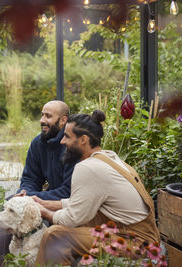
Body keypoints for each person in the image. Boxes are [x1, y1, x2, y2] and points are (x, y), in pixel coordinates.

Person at [33, 110, 160, 265]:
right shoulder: (108, 157)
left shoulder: (88, 168)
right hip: (138, 234)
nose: (62, 142)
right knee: (79, 222)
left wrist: (44, 212)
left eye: (66, 136)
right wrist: (43, 203)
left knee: (55, 235)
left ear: (83, 140)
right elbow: (81, 203)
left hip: (137, 243)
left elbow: (71, 219)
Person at [17, 100, 75, 200]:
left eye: (48, 116)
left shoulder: (73, 145)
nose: (42, 120)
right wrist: (24, 193)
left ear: (63, 120)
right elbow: (31, 178)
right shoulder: (37, 143)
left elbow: (68, 191)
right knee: (10, 202)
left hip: (70, 203)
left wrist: (31, 197)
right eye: (42, 115)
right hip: (49, 198)